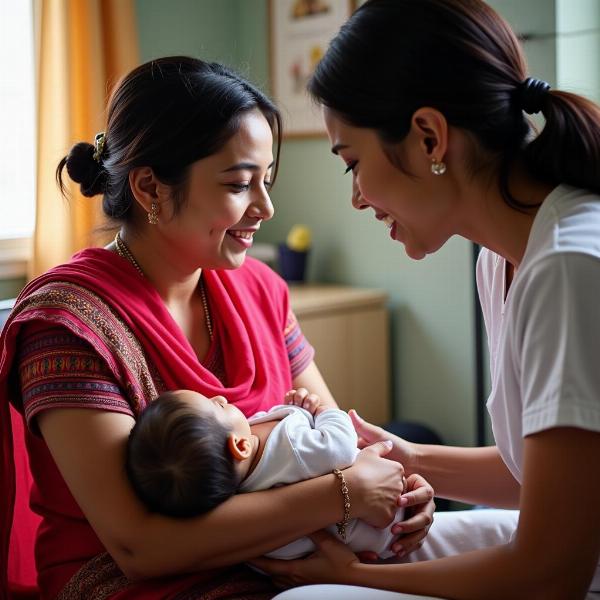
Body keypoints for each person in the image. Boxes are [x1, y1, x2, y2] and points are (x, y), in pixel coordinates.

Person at [0, 56, 435, 599]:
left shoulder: (260, 290)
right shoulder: (68, 324)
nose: (266, 207)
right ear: (149, 188)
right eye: (239, 184)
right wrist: (345, 495)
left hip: (285, 554)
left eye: (267, 182)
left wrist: (399, 491)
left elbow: (341, 439)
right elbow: (139, 547)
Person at [251, 1, 600, 599]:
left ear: (429, 138)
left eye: (352, 163)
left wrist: (353, 576)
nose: (358, 198)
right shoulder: (503, 257)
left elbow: (552, 570)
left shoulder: (568, 265)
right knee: (355, 550)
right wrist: (406, 455)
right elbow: (547, 480)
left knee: (313, 594)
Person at [126, 387, 406, 559]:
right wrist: (324, 411)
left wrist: (297, 406)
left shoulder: (236, 487)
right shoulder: (294, 449)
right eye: (217, 405)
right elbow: (341, 444)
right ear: (240, 446)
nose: (221, 396)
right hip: (388, 527)